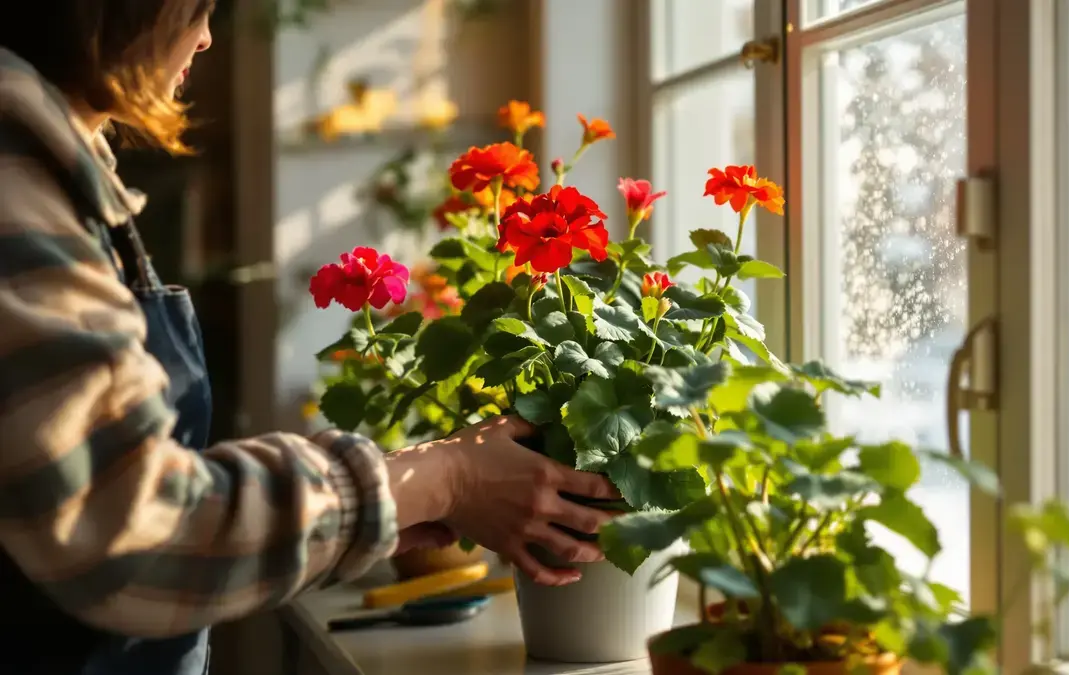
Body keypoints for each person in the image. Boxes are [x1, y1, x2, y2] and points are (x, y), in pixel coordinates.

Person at [0, 3, 619, 674]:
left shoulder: (51, 165)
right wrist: (439, 479)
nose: (207, 36)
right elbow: (130, 530)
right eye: (199, 7)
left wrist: (379, 508)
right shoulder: (13, 178)